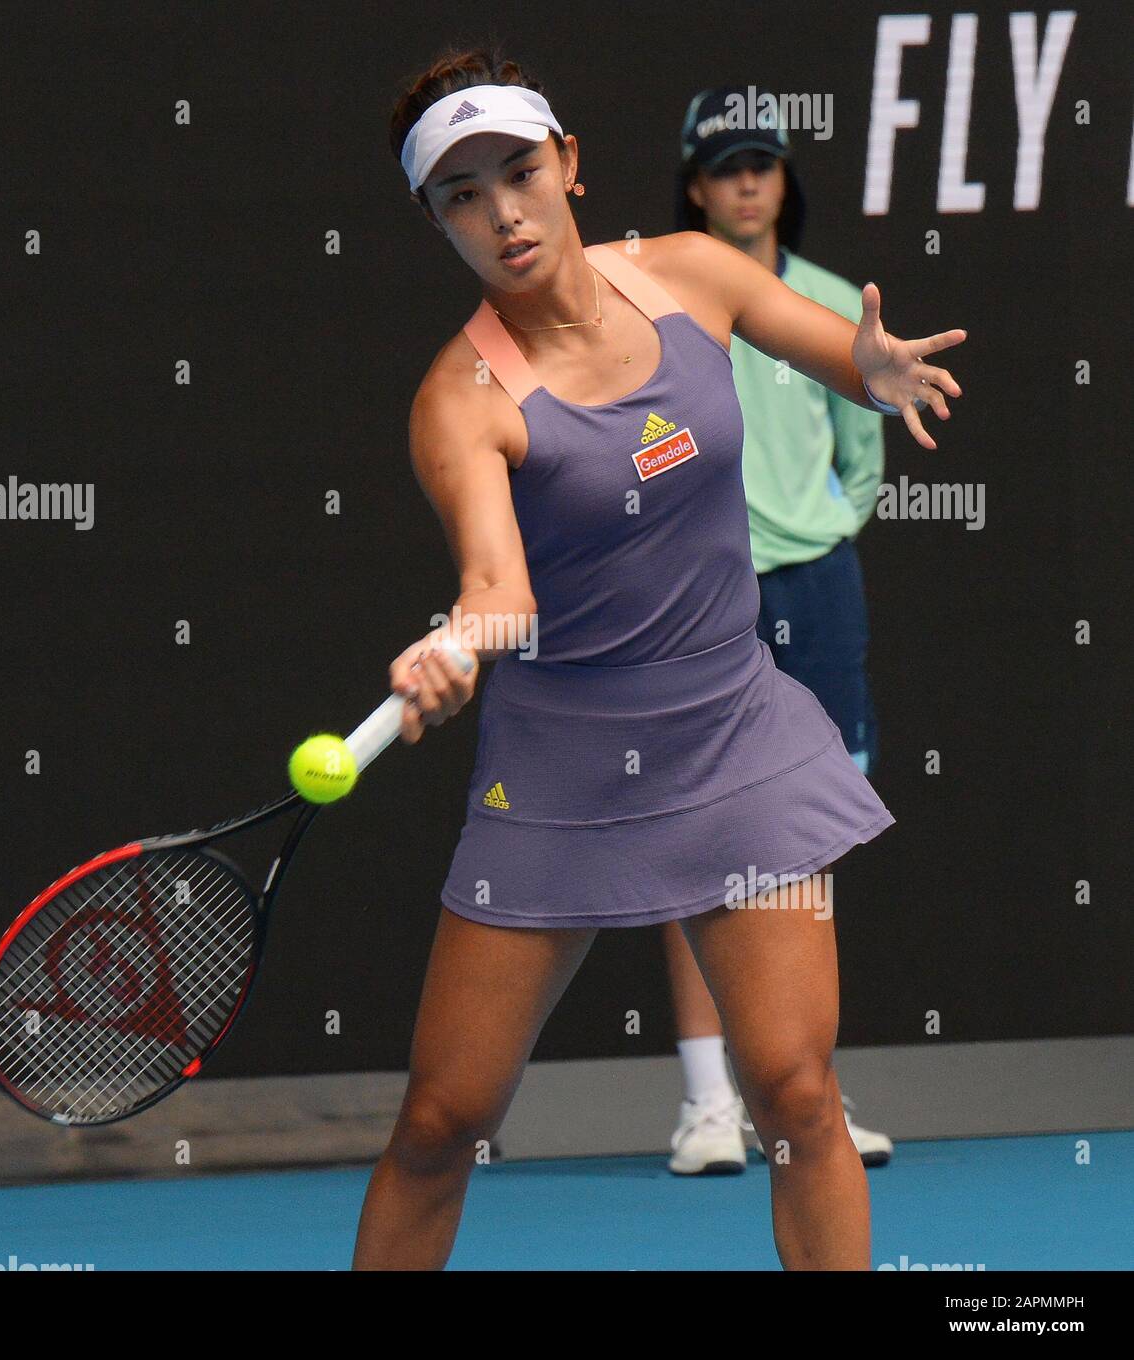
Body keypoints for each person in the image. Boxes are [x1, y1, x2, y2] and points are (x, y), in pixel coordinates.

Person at [355, 48, 963, 1271]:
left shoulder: (688, 272)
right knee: (440, 1121)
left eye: (519, 172)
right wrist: (451, 646)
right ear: (434, 218)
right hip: (558, 778)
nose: (503, 213)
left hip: (735, 738)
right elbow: (496, 587)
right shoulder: (460, 398)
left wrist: (877, 367)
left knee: (797, 1095)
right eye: (462, 194)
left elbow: (826, 345)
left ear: (569, 164)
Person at [663, 87, 894, 1176]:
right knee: (697, 842)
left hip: (817, 591)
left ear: (782, 179)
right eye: (725, 165)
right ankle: (710, 1103)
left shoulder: (838, 302)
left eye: (762, 162)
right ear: (695, 186)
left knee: (803, 841)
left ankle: (807, 1099)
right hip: (703, 605)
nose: (746, 182)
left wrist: (814, 535)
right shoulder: (662, 307)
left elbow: (863, 462)